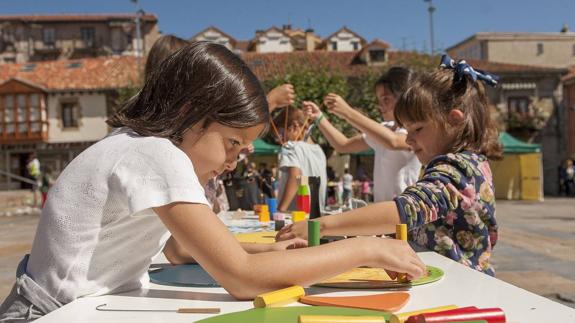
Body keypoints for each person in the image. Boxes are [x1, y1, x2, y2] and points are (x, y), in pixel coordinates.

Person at [0, 42, 425, 321]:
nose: (233, 162)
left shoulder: (137, 145)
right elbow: (242, 278)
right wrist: (367, 247)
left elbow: (181, 247)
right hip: (47, 314)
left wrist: (269, 249)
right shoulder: (155, 153)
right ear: (189, 112)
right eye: (231, 142)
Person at [278, 55, 502, 276]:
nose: (408, 140)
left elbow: (404, 210)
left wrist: (321, 225)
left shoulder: (457, 168)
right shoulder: (463, 164)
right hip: (450, 278)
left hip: (460, 286)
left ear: (454, 120)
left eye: (417, 129)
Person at [302, 67, 421, 202]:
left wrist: (347, 112)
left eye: (386, 99)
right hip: (385, 213)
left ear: (405, 98)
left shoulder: (415, 130)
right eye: (379, 100)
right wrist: (319, 118)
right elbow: (343, 145)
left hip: (406, 213)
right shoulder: (384, 128)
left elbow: (393, 141)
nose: (380, 106)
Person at [274, 108, 328, 212]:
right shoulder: (319, 151)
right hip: (315, 214)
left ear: (295, 126)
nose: (280, 139)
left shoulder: (290, 146)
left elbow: (295, 176)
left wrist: (281, 209)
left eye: (281, 133)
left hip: (294, 215)